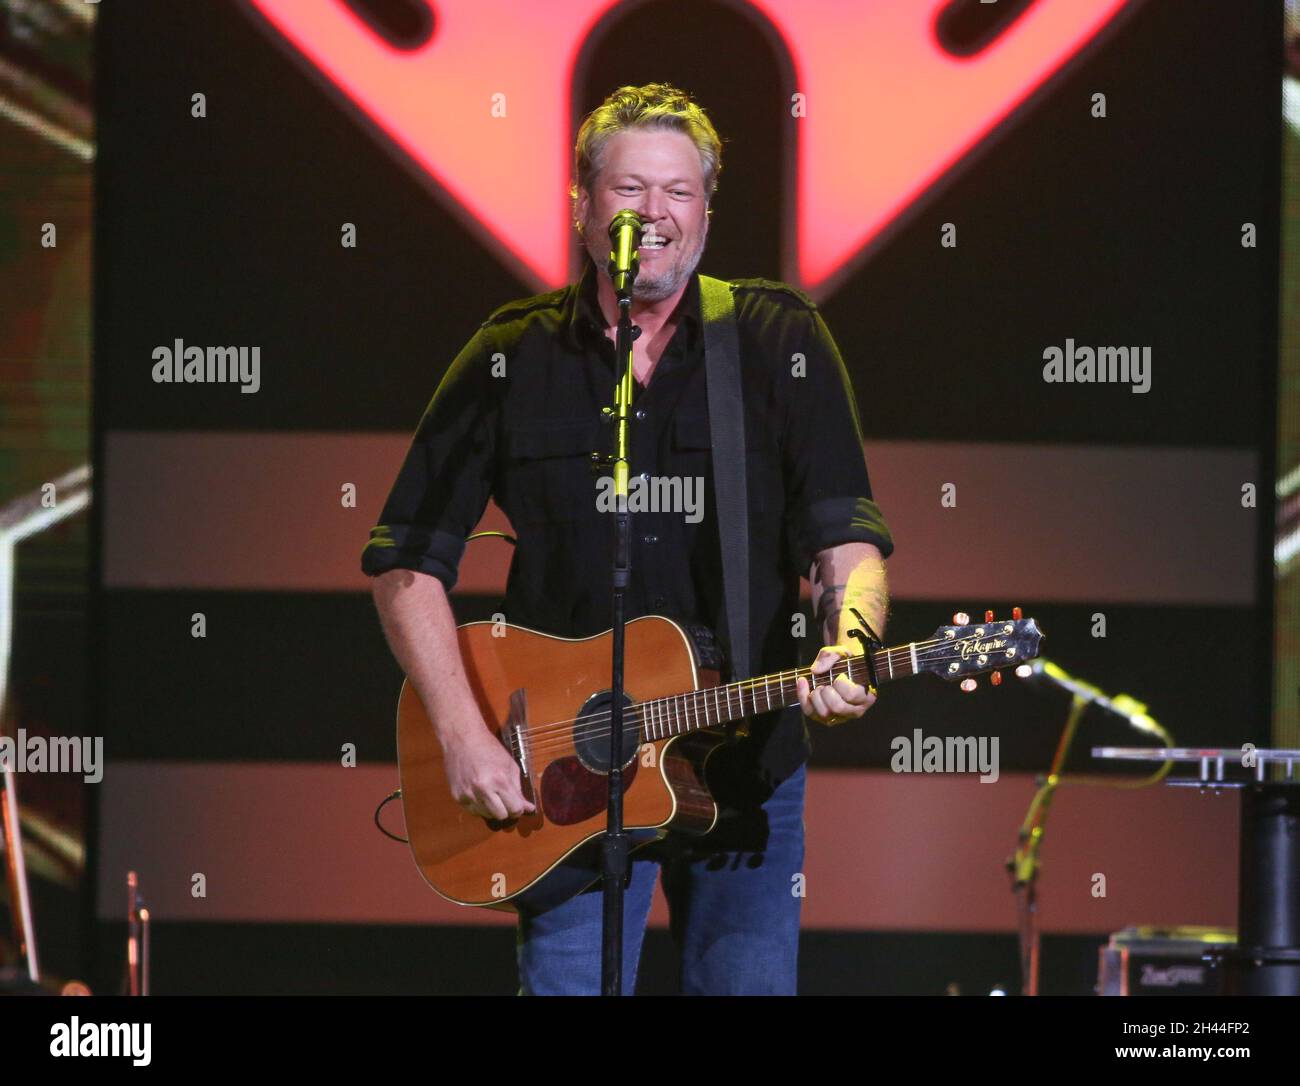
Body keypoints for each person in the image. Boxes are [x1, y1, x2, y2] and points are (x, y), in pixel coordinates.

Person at [362, 83, 893, 995]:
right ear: (581, 204)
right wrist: (461, 733)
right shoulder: (513, 354)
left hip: (741, 764)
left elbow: (846, 539)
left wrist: (854, 642)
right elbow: (406, 558)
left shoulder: (774, 339)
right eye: (630, 188)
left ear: (706, 213)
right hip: (563, 771)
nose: (654, 213)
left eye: (679, 193)